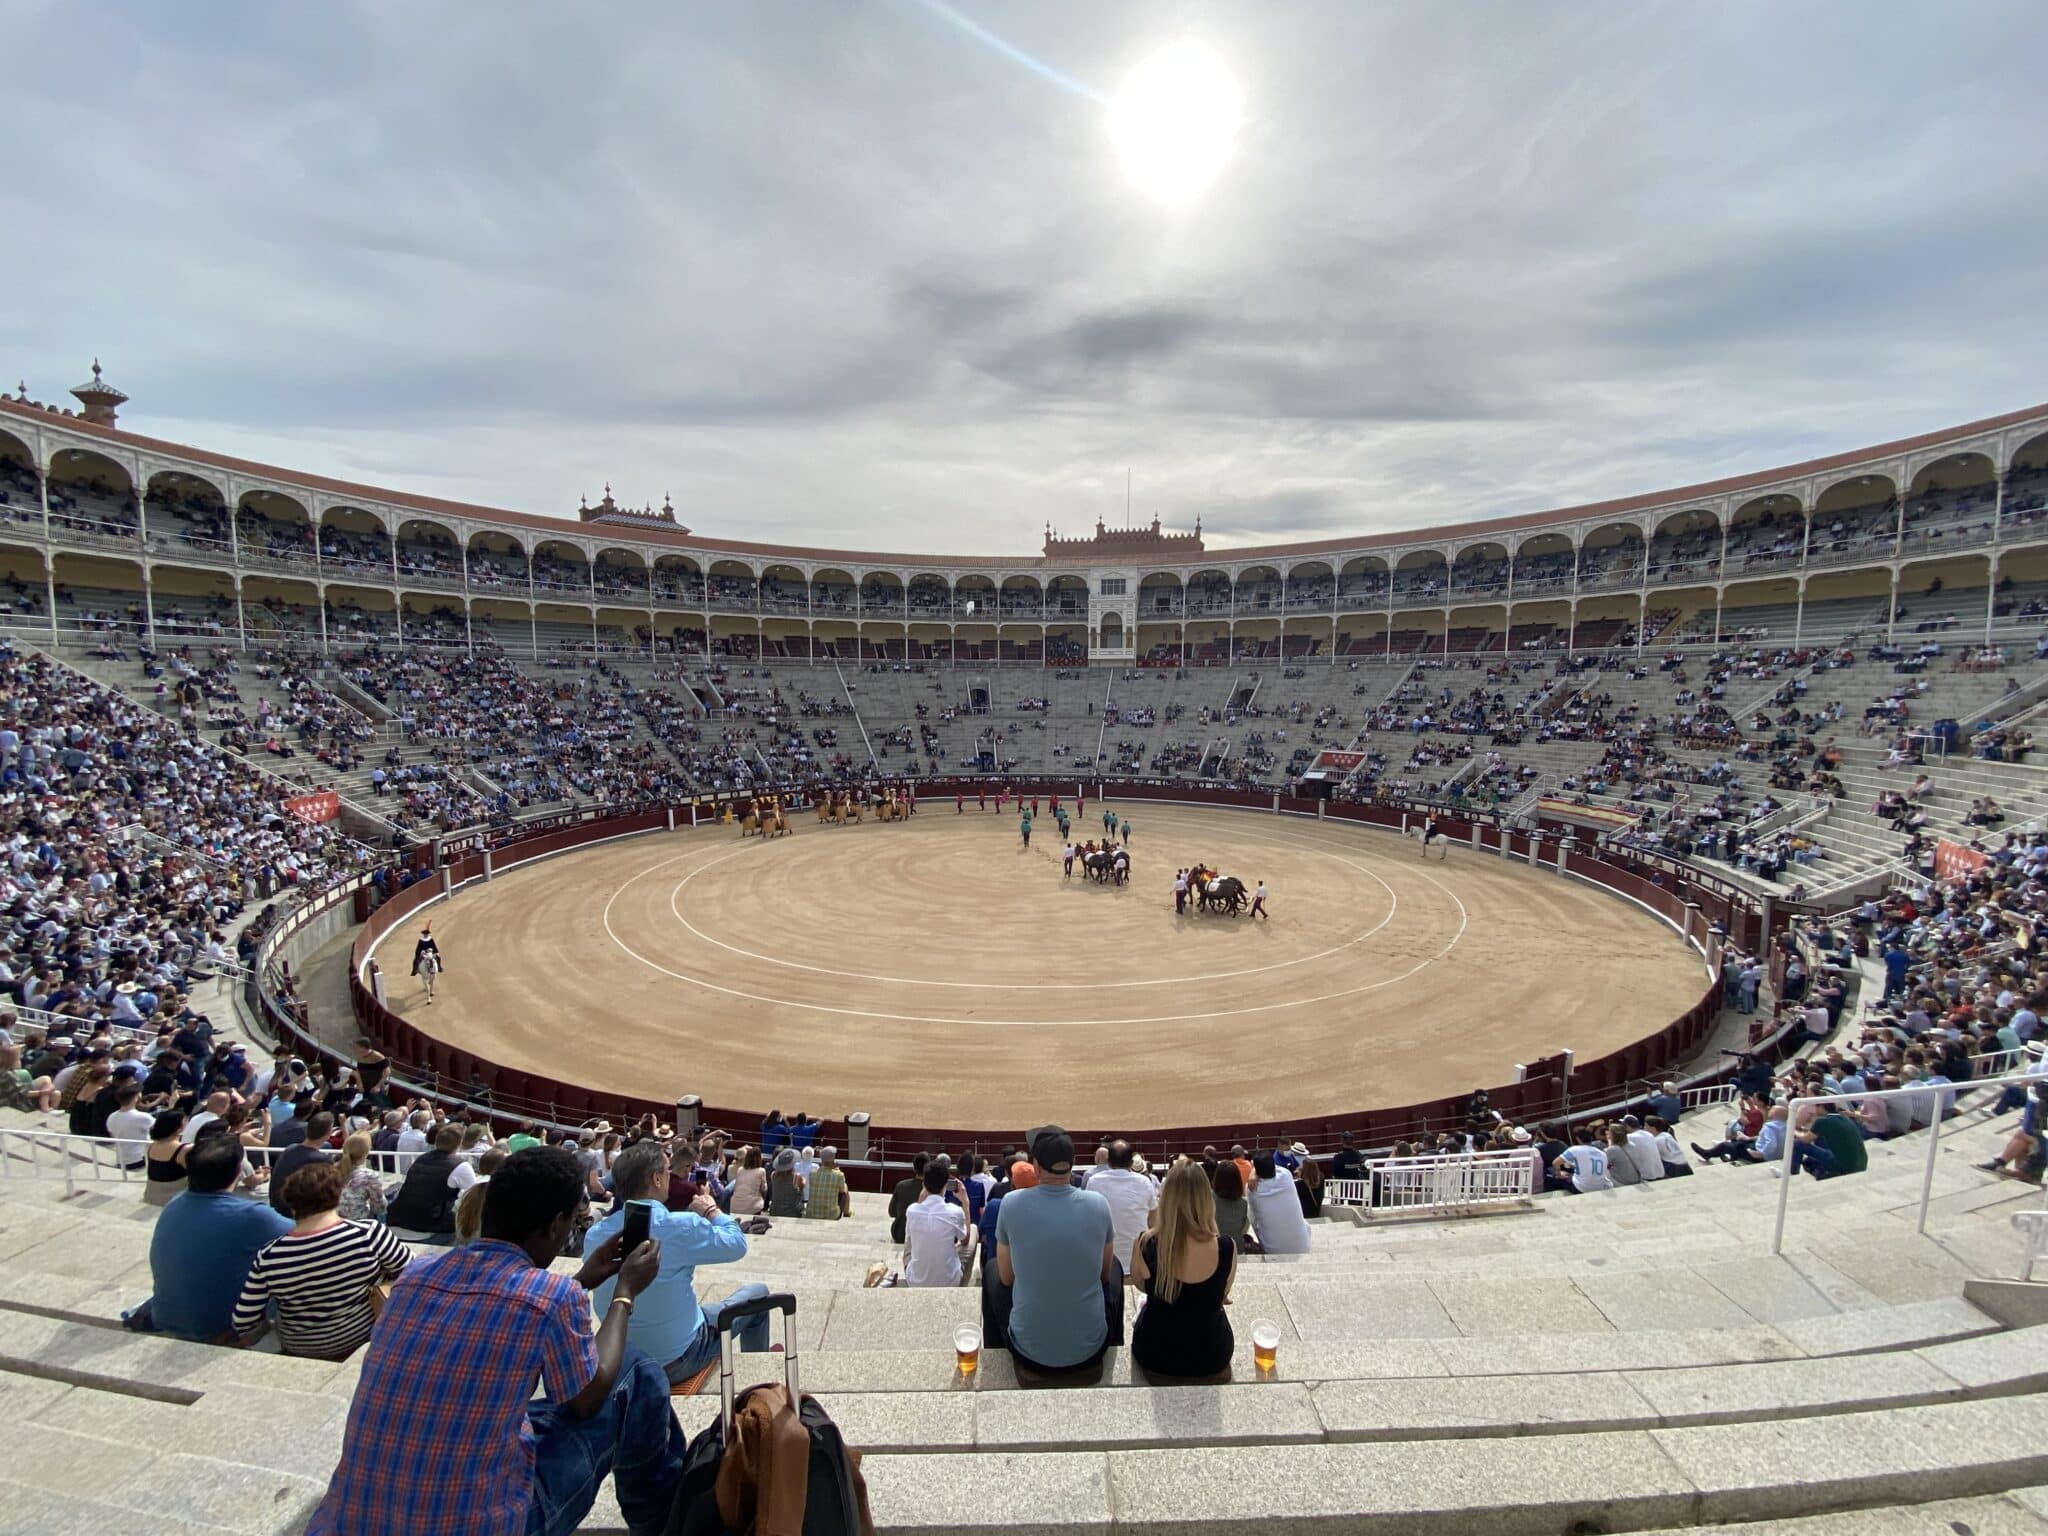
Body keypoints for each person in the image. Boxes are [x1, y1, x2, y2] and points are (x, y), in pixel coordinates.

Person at [306, 1147, 684, 1536]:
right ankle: (663, 1524)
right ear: (557, 1225)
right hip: (483, 1523)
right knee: (635, 1370)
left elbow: (497, 1306)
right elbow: (586, 1398)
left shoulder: (414, 1276)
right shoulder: (551, 1297)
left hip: (351, 1520)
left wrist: (583, 1280)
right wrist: (625, 1291)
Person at [584, 1140, 770, 1386]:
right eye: (666, 1170)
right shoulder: (681, 1225)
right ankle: (758, 1373)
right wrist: (711, 1210)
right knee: (759, 1294)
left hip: (619, 1357)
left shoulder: (595, 1235)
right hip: (678, 1358)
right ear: (657, 1179)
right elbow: (737, 1244)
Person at [231, 1160, 411, 1359]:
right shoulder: (368, 1233)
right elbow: (411, 1270)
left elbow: (243, 1319)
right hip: (363, 1338)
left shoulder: (269, 1255)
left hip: (299, 1347)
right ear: (337, 1196)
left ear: (291, 1204)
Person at [985, 1125, 1123, 1375]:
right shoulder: (1098, 1204)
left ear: (1036, 1167)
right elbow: (1103, 1276)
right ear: (1072, 1165)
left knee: (993, 1269)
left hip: (1028, 1350)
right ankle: (1116, 1343)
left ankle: (993, 1354)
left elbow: (1007, 1278)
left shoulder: (1011, 1203)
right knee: (1114, 1267)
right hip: (1091, 1349)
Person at [138, 1134, 293, 1343]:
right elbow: (307, 1234)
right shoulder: (253, 1216)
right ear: (238, 1171)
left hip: (164, 1316)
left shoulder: (174, 1203)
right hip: (219, 1327)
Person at [1129, 1157, 1236, 1379]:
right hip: (1211, 1355)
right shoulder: (1226, 1247)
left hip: (1154, 1353)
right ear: (1207, 1199)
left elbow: (1141, 1285)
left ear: (1166, 1199)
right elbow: (1223, 1293)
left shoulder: (1146, 1243)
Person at [1086, 1140, 1159, 1279]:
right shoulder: (1144, 1182)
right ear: (1131, 1163)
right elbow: (1153, 1222)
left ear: (1108, 1162)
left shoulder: (1094, 1182)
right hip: (1139, 1265)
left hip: (1105, 1265)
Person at [386, 1124, 466, 1242]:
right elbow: (472, 1199)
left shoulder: (421, 1158)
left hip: (396, 1222)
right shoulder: (461, 1165)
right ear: (460, 1143)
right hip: (428, 1229)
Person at [902, 1159, 973, 1287]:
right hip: (950, 1281)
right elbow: (965, 1241)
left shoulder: (912, 1210)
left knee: (910, 1239)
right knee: (973, 1230)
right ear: (946, 1184)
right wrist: (966, 1203)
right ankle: (964, 1284)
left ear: (923, 1184)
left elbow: (911, 1240)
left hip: (915, 1281)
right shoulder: (955, 1211)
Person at [270, 1110, 339, 1217]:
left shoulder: (289, 1149)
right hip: (294, 1213)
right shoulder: (322, 1160)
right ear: (329, 1132)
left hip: (277, 1207)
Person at [1247, 1150, 1313, 1253]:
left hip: (1273, 1250)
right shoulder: (1286, 1176)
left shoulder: (1252, 1190)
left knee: (1251, 1212)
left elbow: (1253, 1180)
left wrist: (1253, 1169)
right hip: (1304, 1246)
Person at [337, 1130, 391, 1223]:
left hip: (332, 1221)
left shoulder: (329, 1171)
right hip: (358, 1224)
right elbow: (379, 1207)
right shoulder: (368, 1176)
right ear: (366, 1152)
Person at [143, 1108, 192, 1207]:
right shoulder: (184, 1149)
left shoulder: (152, 1145)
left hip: (151, 1195)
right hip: (174, 1198)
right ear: (178, 1128)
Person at [106, 1082, 154, 1171]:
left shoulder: (111, 1116)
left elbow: (112, 1135)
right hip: (139, 1159)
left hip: (121, 1161)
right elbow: (163, 1129)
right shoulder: (142, 1117)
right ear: (135, 1098)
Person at [1554, 1126, 1615, 1192]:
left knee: (1556, 1176)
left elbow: (1555, 1163)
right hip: (1599, 1186)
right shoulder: (1602, 1153)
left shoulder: (1575, 1149)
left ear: (1578, 1139)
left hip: (1581, 1188)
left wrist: (1559, 1174)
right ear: (1591, 1138)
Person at [889, 1151, 931, 1244]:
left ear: (914, 1167)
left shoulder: (901, 1185)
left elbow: (891, 1212)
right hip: (921, 1235)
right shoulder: (932, 1189)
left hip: (899, 1233)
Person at [804, 1144, 852, 1220]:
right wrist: (837, 1170)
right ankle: (847, 1212)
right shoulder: (839, 1175)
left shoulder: (812, 1173)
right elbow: (842, 1191)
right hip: (831, 1215)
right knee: (844, 1187)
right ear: (833, 1160)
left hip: (811, 1214)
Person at [727, 1144, 769, 1216]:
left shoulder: (740, 1170)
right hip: (752, 1208)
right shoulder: (761, 1171)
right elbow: (764, 1189)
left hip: (734, 1207)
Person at [767, 1146, 805, 1216]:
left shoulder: (773, 1175)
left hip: (775, 1211)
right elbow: (802, 1192)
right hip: (791, 1213)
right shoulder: (797, 1177)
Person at [412, 923, 444, 1003]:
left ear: (428, 934)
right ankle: (415, 970)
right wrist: (420, 953)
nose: (426, 935)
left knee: (438, 957)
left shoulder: (430, 939)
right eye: (424, 934)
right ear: (423, 934)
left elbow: (434, 946)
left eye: (426, 934)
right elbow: (418, 949)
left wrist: (435, 952)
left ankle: (439, 967)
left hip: (430, 953)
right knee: (415, 960)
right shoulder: (421, 940)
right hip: (423, 954)